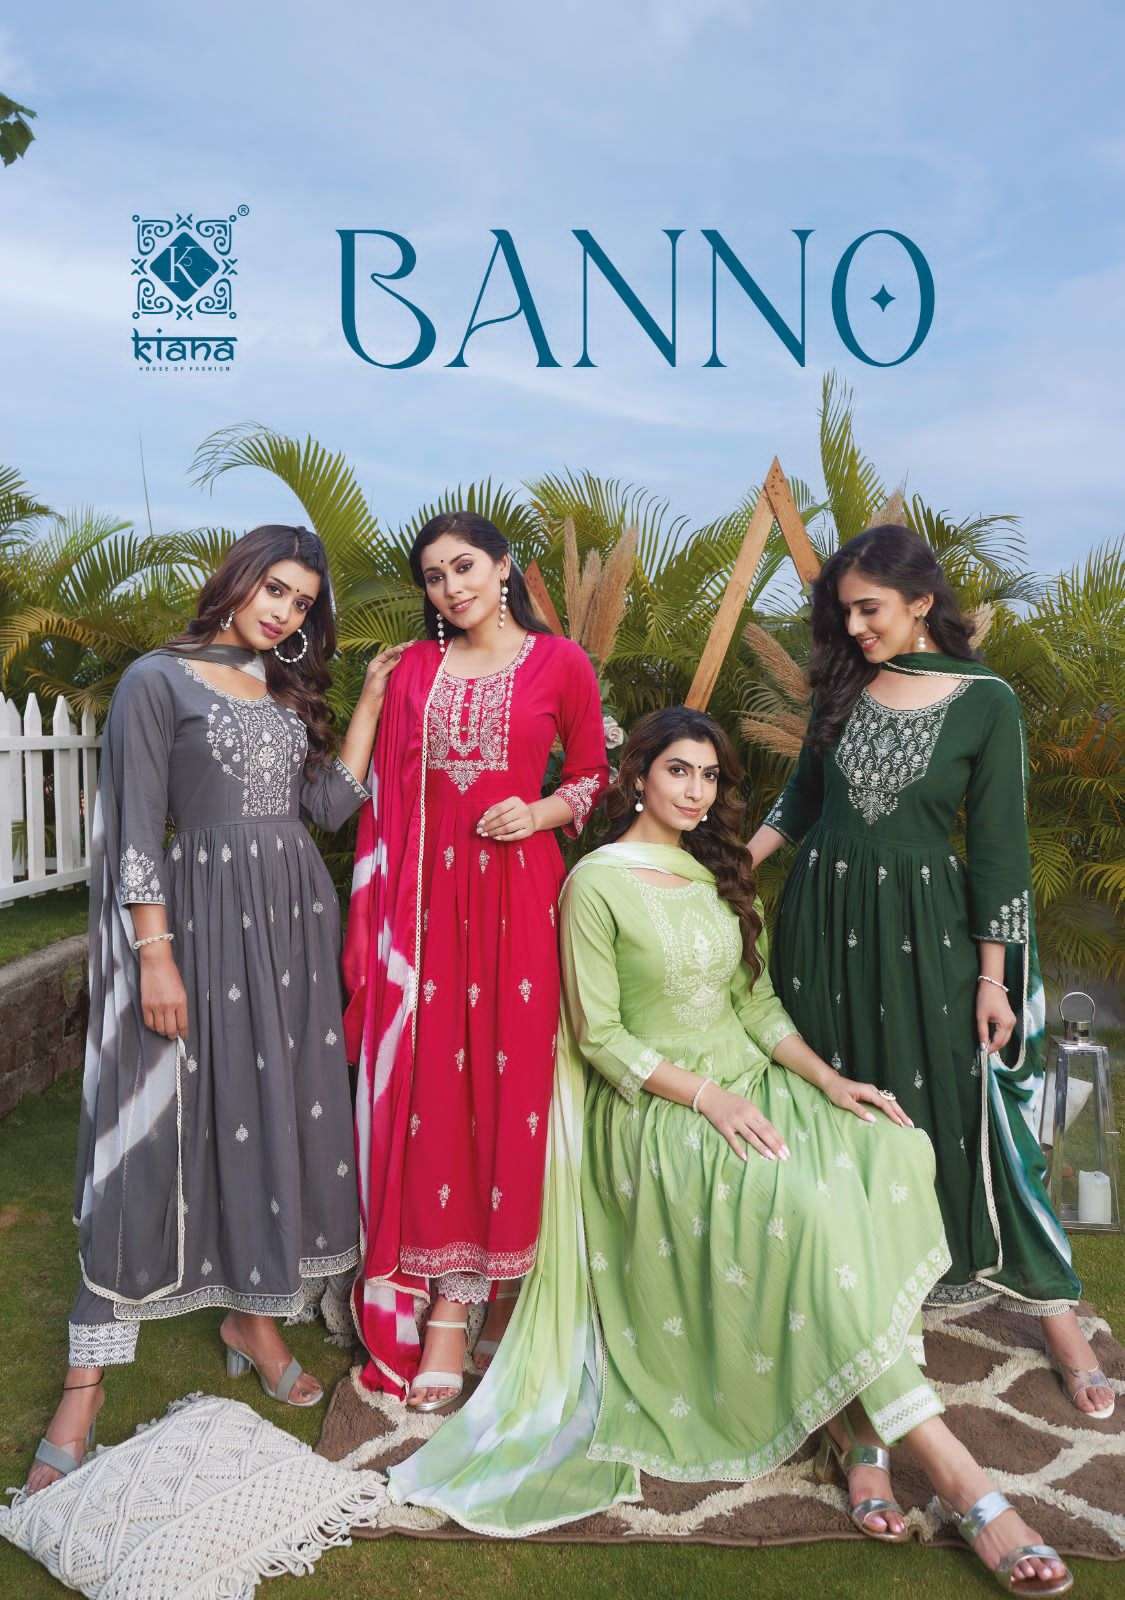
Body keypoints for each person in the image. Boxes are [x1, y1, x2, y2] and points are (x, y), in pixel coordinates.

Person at [389, 708, 1072, 1594]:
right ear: (637, 776)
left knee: (891, 1151)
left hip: (754, 1080)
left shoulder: (716, 873)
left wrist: (831, 1082)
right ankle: (957, 1478)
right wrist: (706, 1099)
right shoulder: (596, 883)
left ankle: (859, 1427)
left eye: (709, 777)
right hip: (658, 1109)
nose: (695, 791)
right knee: (801, 1205)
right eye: (678, 770)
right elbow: (600, 1037)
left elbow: (756, 1005)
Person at [26, 524, 403, 1494]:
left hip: (291, 931)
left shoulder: (283, 687)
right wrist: (154, 955)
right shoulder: (156, 680)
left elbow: (329, 807)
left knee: (273, 1115)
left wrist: (365, 702)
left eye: (301, 601)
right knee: (151, 1131)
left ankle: (254, 1320)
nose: (284, 610)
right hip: (198, 927)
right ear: (236, 579)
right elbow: (131, 826)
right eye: (274, 588)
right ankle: (83, 1388)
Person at [750, 524, 1112, 1425]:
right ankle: (867, 1281)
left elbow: (998, 849)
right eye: (844, 613)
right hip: (822, 921)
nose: (855, 627)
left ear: (920, 600)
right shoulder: (842, 686)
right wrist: (724, 869)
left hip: (923, 928)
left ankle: (1054, 1311)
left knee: (967, 1103)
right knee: (838, 1097)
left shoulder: (986, 702)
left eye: (869, 609)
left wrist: (992, 980)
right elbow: (799, 802)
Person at [343, 511, 608, 1407]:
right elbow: (373, 793)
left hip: (519, 900)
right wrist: (371, 700)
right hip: (423, 914)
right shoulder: (414, 671)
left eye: (463, 567)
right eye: (433, 576)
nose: (450, 588)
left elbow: (592, 774)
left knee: (511, 1082)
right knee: (433, 1092)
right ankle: (445, 1305)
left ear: (503, 569)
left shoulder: (560, 664)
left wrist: (538, 813)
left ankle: (496, 1286)